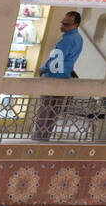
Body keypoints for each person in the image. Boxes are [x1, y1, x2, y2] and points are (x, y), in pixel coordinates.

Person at [31, 11, 83, 141]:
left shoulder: (67, 40)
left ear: (75, 25)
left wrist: (43, 69)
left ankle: (38, 138)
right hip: (64, 78)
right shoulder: (78, 38)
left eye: (66, 24)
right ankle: (45, 137)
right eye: (62, 22)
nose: (62, 26)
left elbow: (55, 61)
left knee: (45, 110)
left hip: (53, 78)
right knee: (54, 112)